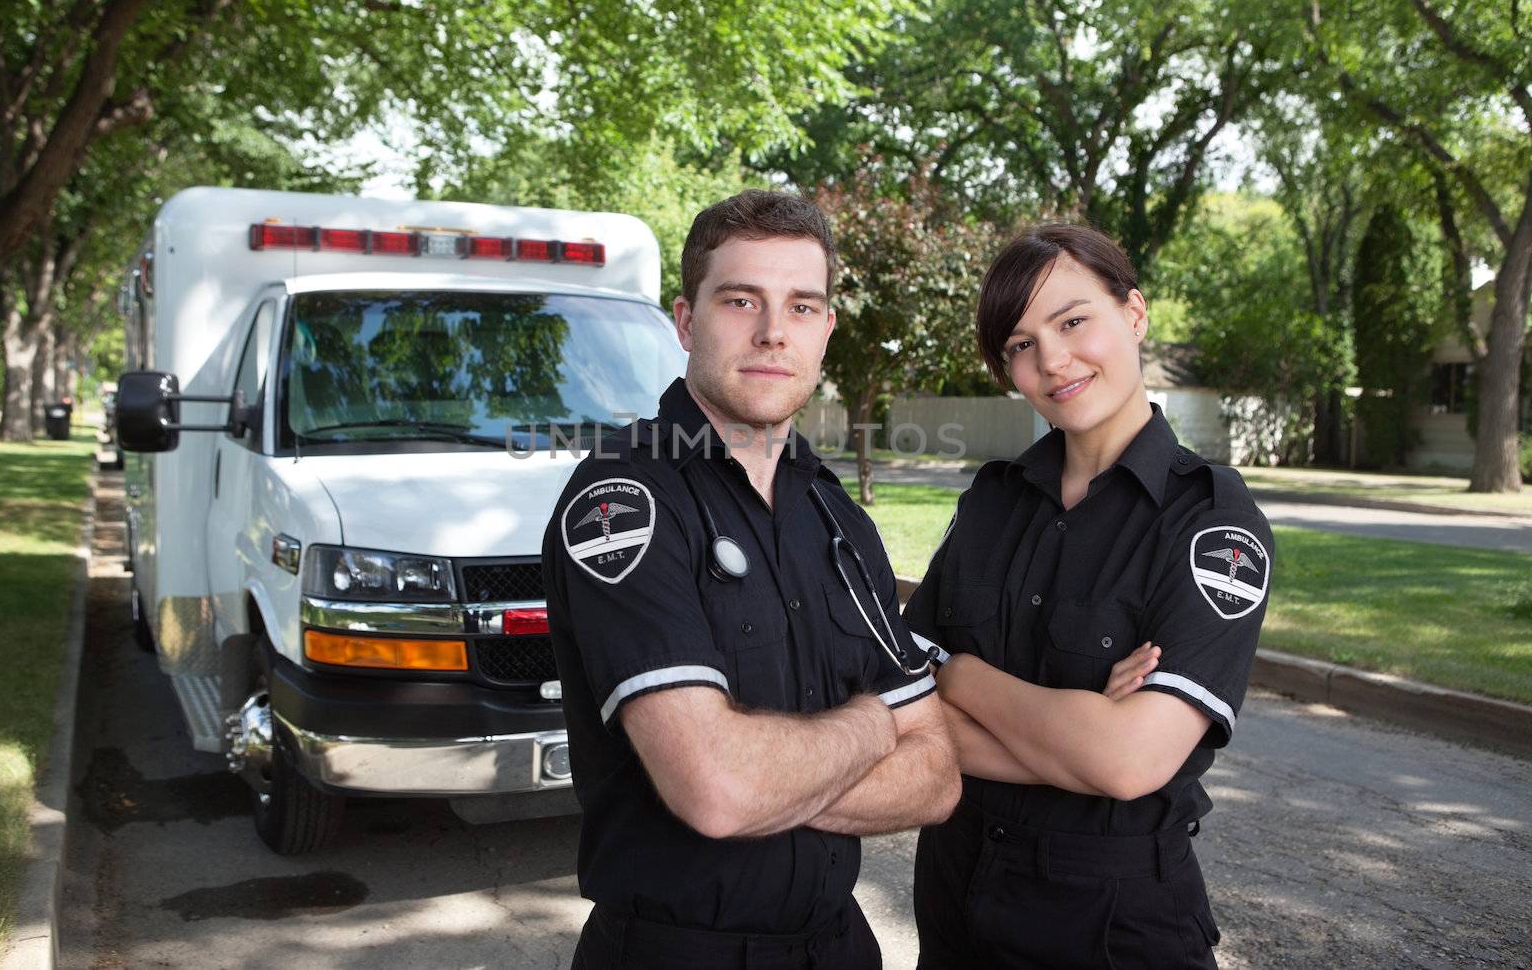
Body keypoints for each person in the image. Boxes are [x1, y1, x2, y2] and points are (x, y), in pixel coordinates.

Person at [543, 189, 960, 970]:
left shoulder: (841, 520)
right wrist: (873, 727)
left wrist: (768, 778)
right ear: (686, 319)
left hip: (838, 946)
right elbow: (717, 789)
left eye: (803, 306)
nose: (774, 331)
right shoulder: (624, 499)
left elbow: (936, 774)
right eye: (742, 300)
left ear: (827, 329)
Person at [905, 223, 1273, 969]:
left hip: (1111, 924)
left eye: (1074, 321)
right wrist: (1079, 731)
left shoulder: (1212, 523)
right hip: (954, 903)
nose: (1053, 360)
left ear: (1133, 314)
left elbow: (1129, 763)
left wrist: (963, 675)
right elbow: (895, 712)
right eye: (1020, 343)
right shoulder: (992, 503)